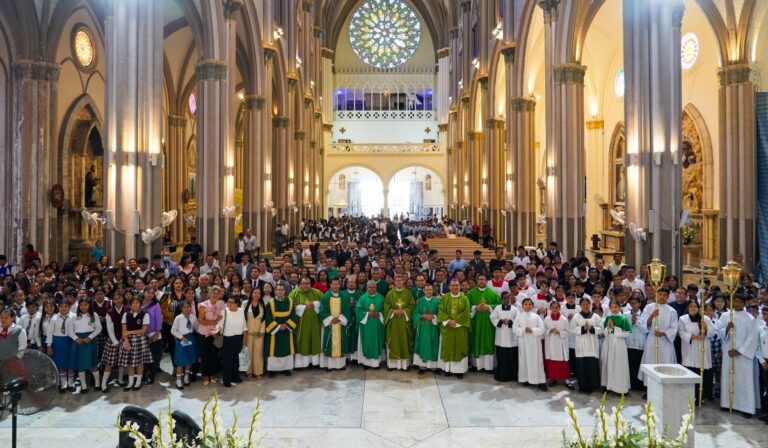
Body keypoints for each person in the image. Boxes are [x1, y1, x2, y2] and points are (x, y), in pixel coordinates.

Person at [717, 294, 758, 417]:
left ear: (745, 303)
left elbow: (752, 338)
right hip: (728, 350)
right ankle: (727, 403)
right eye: (735, 301)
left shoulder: (750, 318)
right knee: (728, 377)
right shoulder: (725, 316)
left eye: (740, 301)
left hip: (743, 355)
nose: (737, 303)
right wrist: (726, 329)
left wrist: (740, 351)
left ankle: (746, 408)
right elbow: (718, 331)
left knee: (743, 380)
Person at [678, 300, 716, 405]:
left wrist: (705, 327)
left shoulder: (705, 318)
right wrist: (694, 337)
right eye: (691, 306)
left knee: (702, 373)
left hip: (702, 348)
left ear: (699, 308)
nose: (693, 308)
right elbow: (681, 332)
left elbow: (713, 332)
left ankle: (701, 397)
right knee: (690, 371)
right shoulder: (683, 319)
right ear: (688, 307)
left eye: (695, 306)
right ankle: (688, 396)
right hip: (689, 348)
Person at [638, 288, 678, 386]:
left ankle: (664, 385)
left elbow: (674, 328)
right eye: (660, 294)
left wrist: (663, 333)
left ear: (668, 297)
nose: (662, 296)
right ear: (656, 295)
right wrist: (652, 316)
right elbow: (643, 323)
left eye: (665, 295)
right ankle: (649, 387)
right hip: (652, 339)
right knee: (650, 362)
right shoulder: (649, 307)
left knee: (665, 362)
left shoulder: (672, 311)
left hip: (665, 342)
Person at [467, 274, 499, 372]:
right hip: (476, 322)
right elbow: (466, 306)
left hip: (488, 324)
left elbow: (498, 305)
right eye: (480, 279)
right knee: (476, 341)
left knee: (487, 342)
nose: (481, 281)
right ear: (477, 280)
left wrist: (489, 307)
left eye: (483, 279)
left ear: (486, 281)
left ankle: (488, 367)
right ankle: (475, 365)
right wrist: (474, 308)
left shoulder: (492, 293)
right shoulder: (471, 293)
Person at [438, 279, 471, 378]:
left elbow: (466, 312)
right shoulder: (445, 298)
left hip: (460, 328)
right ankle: (447, 370)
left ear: (460, 287)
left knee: (459, 347)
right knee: (447, 347)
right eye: (453, 286)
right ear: (449, 287)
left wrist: (455, 322)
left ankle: (459, 371)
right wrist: (448, 321)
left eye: (457, 285)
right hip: (447, 328)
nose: (455, 287)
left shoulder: (464, 298)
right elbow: (441, 310)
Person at [120, 296, 153, 391]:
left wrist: (130, 332)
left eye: (137, 303)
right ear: (130, 305)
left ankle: (138, 382)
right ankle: (130, 383)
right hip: (128, 341)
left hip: (140, 341)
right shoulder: (126, 315)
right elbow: (124, 330)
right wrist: (126, 341)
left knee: (139, 362)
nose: (135, 304)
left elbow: (143, 330)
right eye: (133, 303)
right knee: (130, 363)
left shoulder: (145, 314)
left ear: (140, 304)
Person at [69, 299, 102, 393]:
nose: (83, 307)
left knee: (93, 363)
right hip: (79, 341)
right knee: (81, 365)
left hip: (90, 341)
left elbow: (99, 328)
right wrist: (76, 338)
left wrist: (90, 337)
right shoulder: (74, 316)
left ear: (89, 305)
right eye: (81, 305)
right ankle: (83, 386)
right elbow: (70, 330)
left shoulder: (93, 315)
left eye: (86, 304)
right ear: (78, 306)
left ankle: (97, 384)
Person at [289, 277, 323, 369]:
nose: (306, 285)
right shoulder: (294, 293)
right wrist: (303, 308)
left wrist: (315, 304)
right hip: (301, 323)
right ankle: (301, 364)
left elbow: (324, 302)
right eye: (304, 283)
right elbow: (290, 306)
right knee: (302, 341)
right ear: (300, 284)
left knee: (314, 340)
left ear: (310, 284)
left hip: (315, 323)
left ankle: (314, 363)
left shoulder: (316, 292)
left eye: (308, 283)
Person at [264, 284, 297, 377]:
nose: (280, 292)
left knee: (286, 349)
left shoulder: (290, 302)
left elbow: (294, 315)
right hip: (274, 332)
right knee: (273, 350)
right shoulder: (270, 303)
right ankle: (272, 370)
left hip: (287, 330)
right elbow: (268, 317)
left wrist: (286, 325)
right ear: (275, 291)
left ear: (284, 291)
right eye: (278, 290)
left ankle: (285, 368)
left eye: (282, 290)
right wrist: (278, 327)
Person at [571, 297, 603, 394]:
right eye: (583, 304)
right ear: (580, 305)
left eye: (587, 304)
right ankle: (582, 386)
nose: (585, 306)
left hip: (592, 345)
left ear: (590, 305)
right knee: (581, 366)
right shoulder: (576, 317)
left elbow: (601, 328)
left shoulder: (596, 316)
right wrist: (583, 329)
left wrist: (592, 328)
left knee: (592, 365)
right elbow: (572, 328)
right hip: (581, 345)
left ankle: (591, 386)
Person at [514, 297, 546, 390]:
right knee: (524, 360)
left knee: (536, 361)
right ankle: (526, 379)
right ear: (522, 306)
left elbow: (542, 328)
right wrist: (523, 329)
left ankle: (540, 381)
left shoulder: (536, 316)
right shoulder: (519, 316)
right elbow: (515, 328)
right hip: (523, 341)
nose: (528, 306)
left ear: (532, 306)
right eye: (526, 304)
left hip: (534, 342)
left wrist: (532, 330)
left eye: (530, 304)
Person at [384, 274, 415, 370]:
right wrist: (394, 311)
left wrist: (405, 311)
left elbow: (412, 305)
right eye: (397, 280)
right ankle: (392, 365)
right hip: (393, 322)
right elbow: (386, 307)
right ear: (394, 281)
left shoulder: (408, 293)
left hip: (405, 322)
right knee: (394, 341)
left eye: (400, 280)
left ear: (403, 281)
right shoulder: (389, 294)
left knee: (404, 341)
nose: (399, 282)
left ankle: (405, 365)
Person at [319, 277, 351, 370]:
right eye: (334, 284)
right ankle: (329, 365)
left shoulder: (345, 296)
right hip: (330, 324)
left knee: (341, 342)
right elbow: (323, 310)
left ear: (340, 285)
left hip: (341, 324)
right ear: (330, 285)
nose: (336, 286)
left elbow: (347, 310)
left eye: (337, 284)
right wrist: (331, 318)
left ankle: (340, 365)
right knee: (329, 343)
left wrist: (340, 318)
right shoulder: (325, 296)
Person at [601, 301, 631, 395]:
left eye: (616, 307)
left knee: (618, 364)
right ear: (609, 308)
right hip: (609, 342)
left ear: (619, 308)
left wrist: (614, 327)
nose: (614, 309)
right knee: (608, 363)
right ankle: (607, 385)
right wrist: (608, 328)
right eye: (612, 307)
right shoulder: (608, 318)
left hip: (619, 344)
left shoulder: (623, 318)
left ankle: (620, 388)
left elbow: (626, 333)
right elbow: (605, 332)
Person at [197, 286, 225, 386]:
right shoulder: (203, 305)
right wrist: (213, 321)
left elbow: (222, 317)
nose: (215, 295)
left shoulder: (221, 303)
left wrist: (218, 326)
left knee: (213, 355)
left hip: (215, 333)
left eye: (217, 293)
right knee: (205, 356)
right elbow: (200, 320)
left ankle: (212, 375)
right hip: (204, 333)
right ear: (210, 293)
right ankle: (205, 376)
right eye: (213, 293)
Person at [218, 296, 247, 387]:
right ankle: (227, 379)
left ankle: (235, 376)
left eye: (231, 302)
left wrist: (244, 337)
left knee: (235, 359)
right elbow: (220, 325)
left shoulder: (241, 311)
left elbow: (244, 325)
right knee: (227, 360)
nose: (229, 304)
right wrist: (217, 329)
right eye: (228, 302)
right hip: (227, 339)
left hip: (238, 338)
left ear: (237, 304)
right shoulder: (224, 311)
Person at [356, 280, 386, 369]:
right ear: (366, 287)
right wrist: (367, 314)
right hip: (366, 325)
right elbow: (358, 310)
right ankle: (366, 363)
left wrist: (380, 314)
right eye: (370, 287)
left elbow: (386, 310)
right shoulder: (362, 298)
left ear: (376, 288)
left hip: (377, 325)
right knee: (367, 342)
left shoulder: (381, 298)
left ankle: (376, 363)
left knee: (377, 342)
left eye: (373, 287)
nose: (372, 289)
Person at [171, 301, 199, 390]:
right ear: (181, 308)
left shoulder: (193, 317)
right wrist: (181, 337)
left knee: (189, 360)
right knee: (181, 361)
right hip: (182, 339)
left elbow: (197, 328)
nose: (187, 309)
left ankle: (186, 378)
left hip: (191, 339)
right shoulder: (178, 318)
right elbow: (173, 330)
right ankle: (178, 380)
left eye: (188, 307)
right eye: (184, 307)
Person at [101, 293, 126, 392]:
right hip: (113, 339)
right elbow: (109, 329)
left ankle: (120, 379)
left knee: (122, 361)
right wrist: (115, 342)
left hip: (125, 338)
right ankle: (103, 383)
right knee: (109, 362)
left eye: (119, 297)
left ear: (122, 297)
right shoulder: (110, 312)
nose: (117, 300)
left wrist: (124, 339)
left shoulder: (128, 309)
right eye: (115, 299)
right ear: (112, 300)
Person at [412, 284, 440, 374]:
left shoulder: (437, 301)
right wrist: (421, 316)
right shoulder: (420, 301)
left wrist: (433, 317)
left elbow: (441, 314)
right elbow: (415, 314)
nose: (428, 291)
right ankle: (422, 367)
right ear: (423, 291)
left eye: (430, 290)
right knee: (423, 345)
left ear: (432, 291)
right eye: (426, 290)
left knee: (433, 345)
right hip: (423, 327)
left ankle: (433, 367)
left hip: (433, 327)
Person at [48, 301, 75, 392]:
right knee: (60, 363)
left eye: (66, 306)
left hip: (70, 341)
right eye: (61, 306)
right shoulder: (54, 318)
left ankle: (71, 383)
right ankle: (63, 383)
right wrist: (49, 345)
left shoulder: (74, 316)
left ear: (69, 307)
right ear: (58, 307)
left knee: (71, 362)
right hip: (58, 342)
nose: (63, 308)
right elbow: (50, 332)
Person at [490, 291, 518, 382]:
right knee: (501, 356)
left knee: (511, 357)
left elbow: (518, 320)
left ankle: (512, 375)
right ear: (501, 299)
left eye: (508, 298)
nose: (506, 300)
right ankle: (501, 374)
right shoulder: (497, 308)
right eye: (504, 298)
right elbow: (492, 317)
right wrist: (501, 321)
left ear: (510, 298)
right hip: (501, 336)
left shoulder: (515, 309)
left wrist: (510, 322)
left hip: (511, 337)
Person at [543, 301, 570, 388]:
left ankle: (566, 379)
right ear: (550, 308)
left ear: (559, 308)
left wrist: (560, 332)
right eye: (553, 308)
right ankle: (552, 378)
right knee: (551, 361)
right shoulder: (546, 319)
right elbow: (543, 330)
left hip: (560, 343)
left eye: (556, 308)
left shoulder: (564, 319)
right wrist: (549, 331)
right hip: (550, 343)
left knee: (562, 361)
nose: (555, 309)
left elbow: (568, 332)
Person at [626, 295, 647, 391]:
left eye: (636, 303)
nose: (634, 305)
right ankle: (631, 384)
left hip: (640, 343)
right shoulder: (626, 314)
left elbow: (646, 330)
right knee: (631, 364)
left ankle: (640, 385)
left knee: (639, 364)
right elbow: (625, 328)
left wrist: (637, 321)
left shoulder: (645, 314)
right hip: (629, 343)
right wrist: (631, 322)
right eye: (632, 303)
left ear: (639, 304)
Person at [243, 288, 266, 379]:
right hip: (248, 333)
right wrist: (244, 331)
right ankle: (248, 371)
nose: (256, 294)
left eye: (258, 293)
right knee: (248, 353)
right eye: (255, 292)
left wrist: (261, 331)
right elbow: (243, 319)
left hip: (259, 333)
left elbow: (264, 319)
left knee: (258, 353)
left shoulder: (262, 305)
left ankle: (258, 372)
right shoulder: (245, 304)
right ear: (251, 293)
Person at [342, 277, 362, 363]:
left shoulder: (360, 294)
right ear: (346, 284)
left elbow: (363, 305)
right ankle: (345, 357)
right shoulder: (342, 293)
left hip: (356, 319)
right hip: (345, 319)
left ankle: (355, 358)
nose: (351, 284)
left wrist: (357, 304)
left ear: (356, 284)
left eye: (353, 282)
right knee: (346, 337)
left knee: (355, 337)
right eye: (349, 282)